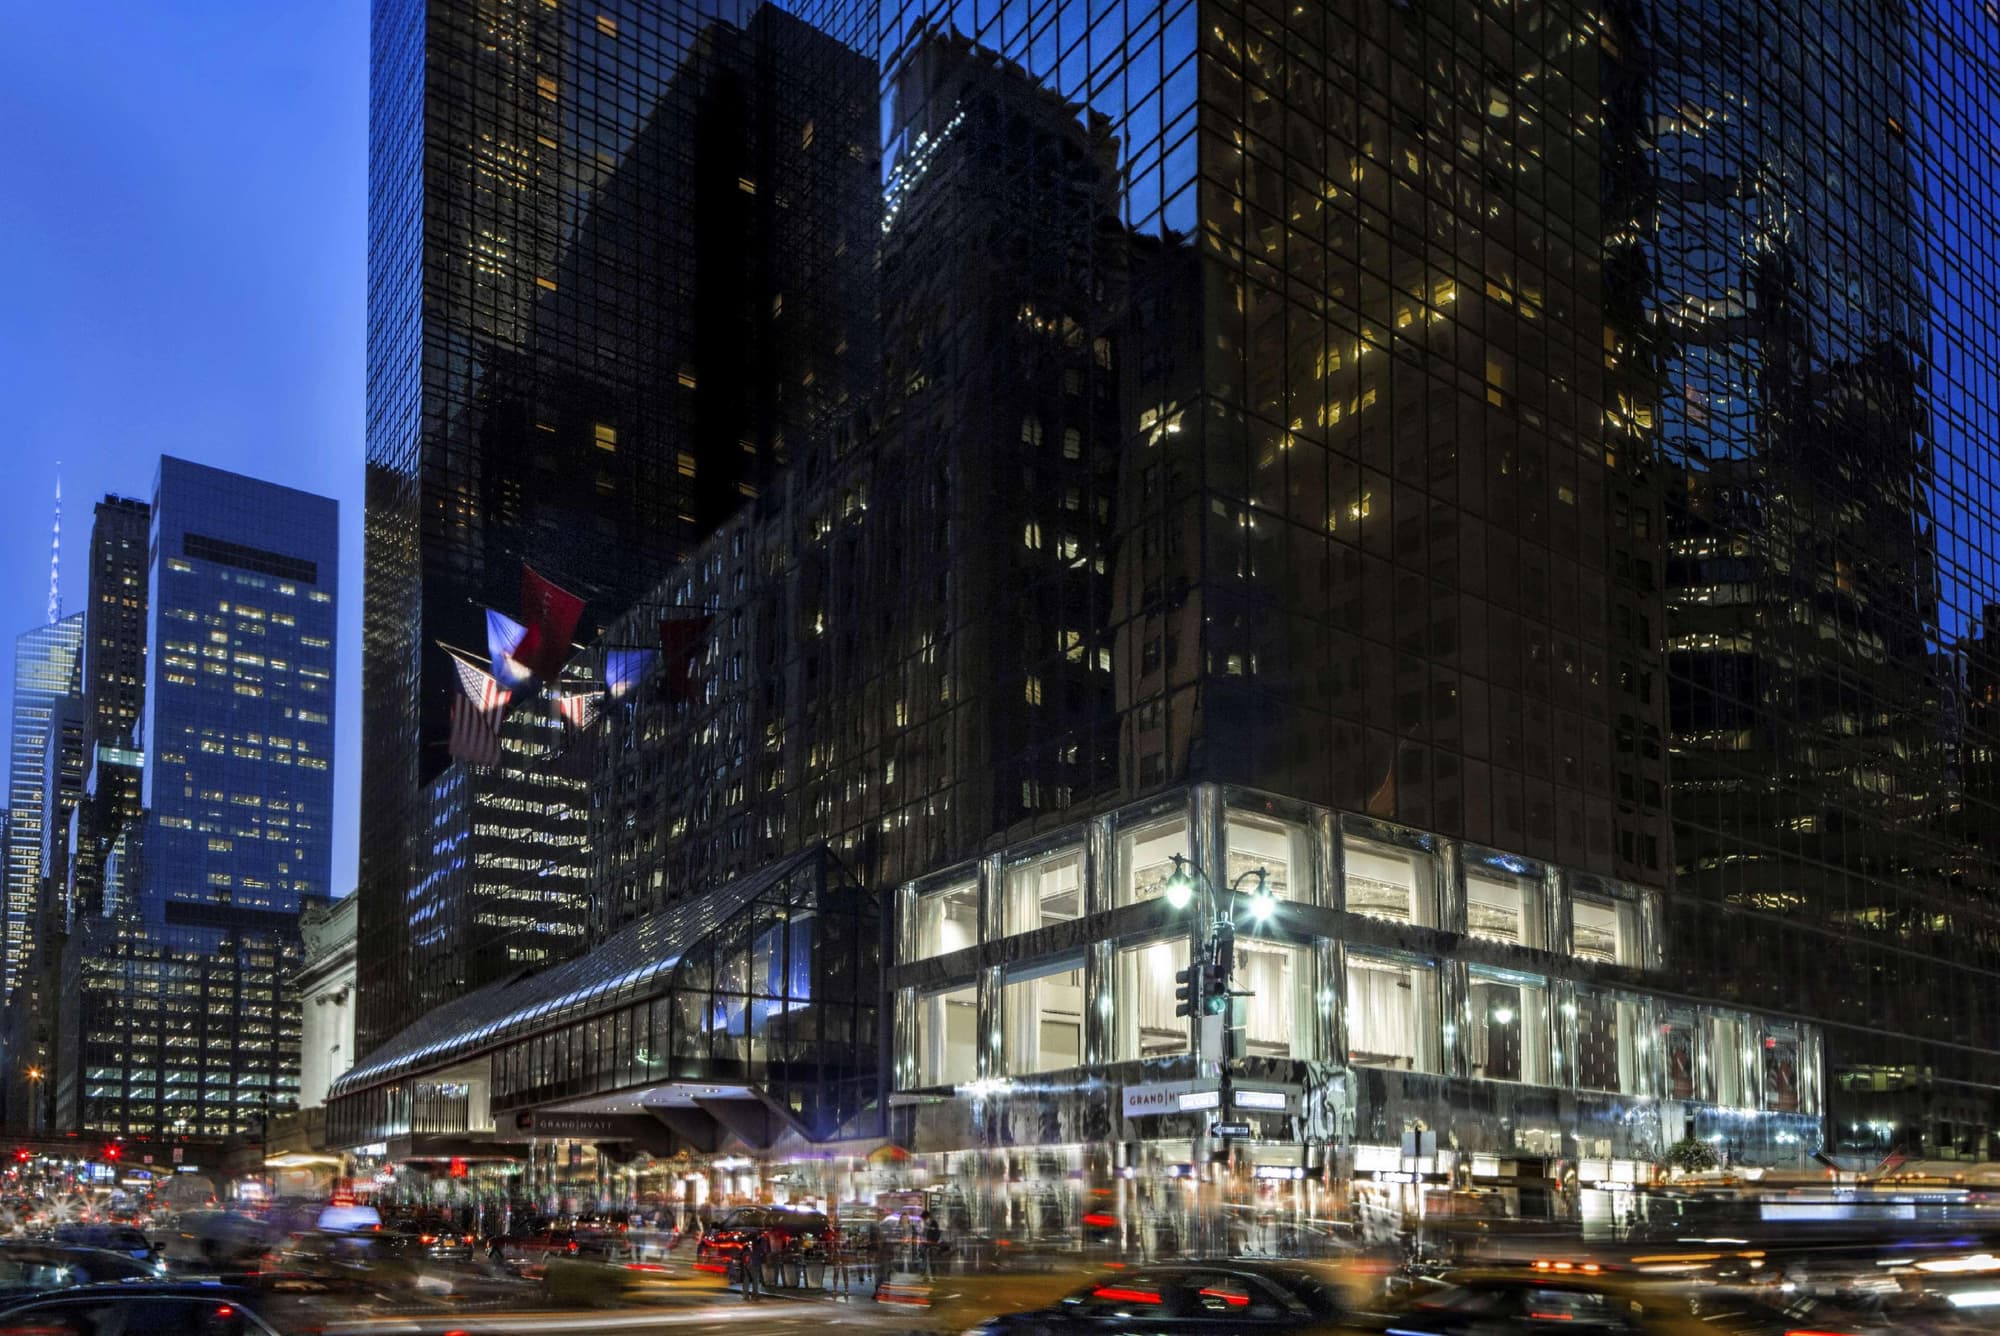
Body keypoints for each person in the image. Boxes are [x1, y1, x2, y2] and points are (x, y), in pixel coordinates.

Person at [742, 1229, 769, 1300]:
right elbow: (763, 1250)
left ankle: (745, 1295)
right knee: (755, 1279)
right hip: (755, 1261)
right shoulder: (761, 1240)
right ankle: (755, 1295)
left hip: (746, 1260)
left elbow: (743, 1250)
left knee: (746, 1278)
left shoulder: (747, 1240)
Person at [921, 1210, 941, 1278]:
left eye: (924, 1219)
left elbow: (937, 1234)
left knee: (932, 1261)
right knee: (926, 1261)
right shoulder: (926, 1224)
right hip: (926, 1245)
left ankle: (933, 1275)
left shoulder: (933, 1223)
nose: (924, 1220)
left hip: (932, 1245)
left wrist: (932, 1242)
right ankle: (925, 1275)